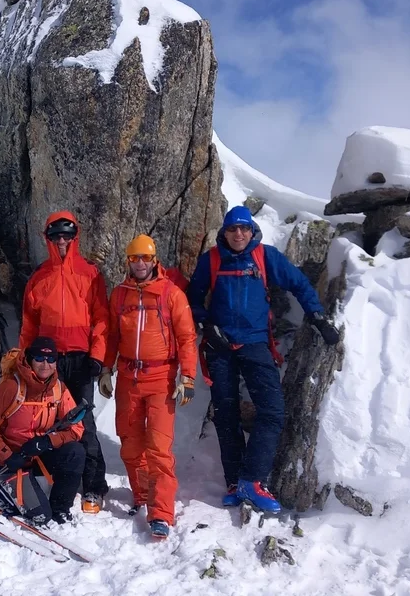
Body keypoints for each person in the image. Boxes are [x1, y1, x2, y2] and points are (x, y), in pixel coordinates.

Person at [186, 206, 341, 513]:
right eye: (233, 229)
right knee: (226, 414)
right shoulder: (212, 260)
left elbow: (298, 283)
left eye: (244, 229)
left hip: (256, 343)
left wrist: (317, 316)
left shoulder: (265, 257)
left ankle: (252, 479)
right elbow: (192, 299)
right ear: (225, 233)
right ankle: (235, 483)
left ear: (252, 231)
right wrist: (207, 325)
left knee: (272, 411)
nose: (239, 234)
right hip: (220, 345)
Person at [97, 234, 198, 540]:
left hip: (161, 379)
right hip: (128, 376)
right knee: (129, 441)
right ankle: (142, 495)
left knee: (158, 448)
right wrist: (106, 368)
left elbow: (186, 338)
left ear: (154, 261)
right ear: (128, 261)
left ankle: (161, 512)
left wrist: (187, 377)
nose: (139, 264)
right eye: (134, 258)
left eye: (145, 258)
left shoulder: (171, 294)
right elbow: (112, 335)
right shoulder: (120, 295)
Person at [19, 211, 111, 513]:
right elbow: (29, 325)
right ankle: (54, 476)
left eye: (67, 235)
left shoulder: (89, 273)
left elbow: (101, 318)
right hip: (49, 363)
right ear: (47, 238)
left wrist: (97, 357)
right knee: (45, 421)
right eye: (56, 235)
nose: (61, 241)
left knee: (83, 423)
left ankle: (94, 486)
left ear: (75, 237)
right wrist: (24, 360)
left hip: (81, 360)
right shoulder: (39, 277)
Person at [0, 337, 86, 525]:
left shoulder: (58, 389)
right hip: (11, 460)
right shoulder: (12, 386)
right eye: (40, 359)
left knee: (75, 452)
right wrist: (6, 454)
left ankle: (60, 508)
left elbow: (77, 428)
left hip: (39, 455)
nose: (46, 365)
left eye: (51, 359)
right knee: (40, 516)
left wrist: (48, 441)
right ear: (29, 360)